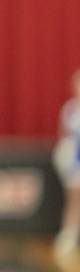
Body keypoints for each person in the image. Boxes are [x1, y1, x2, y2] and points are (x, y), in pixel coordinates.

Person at [53, 69, 80, 259]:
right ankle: (69, 235)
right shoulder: (69, 109)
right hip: (75, 163)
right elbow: (63, 138)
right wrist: (64, 157)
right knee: (74, 199)